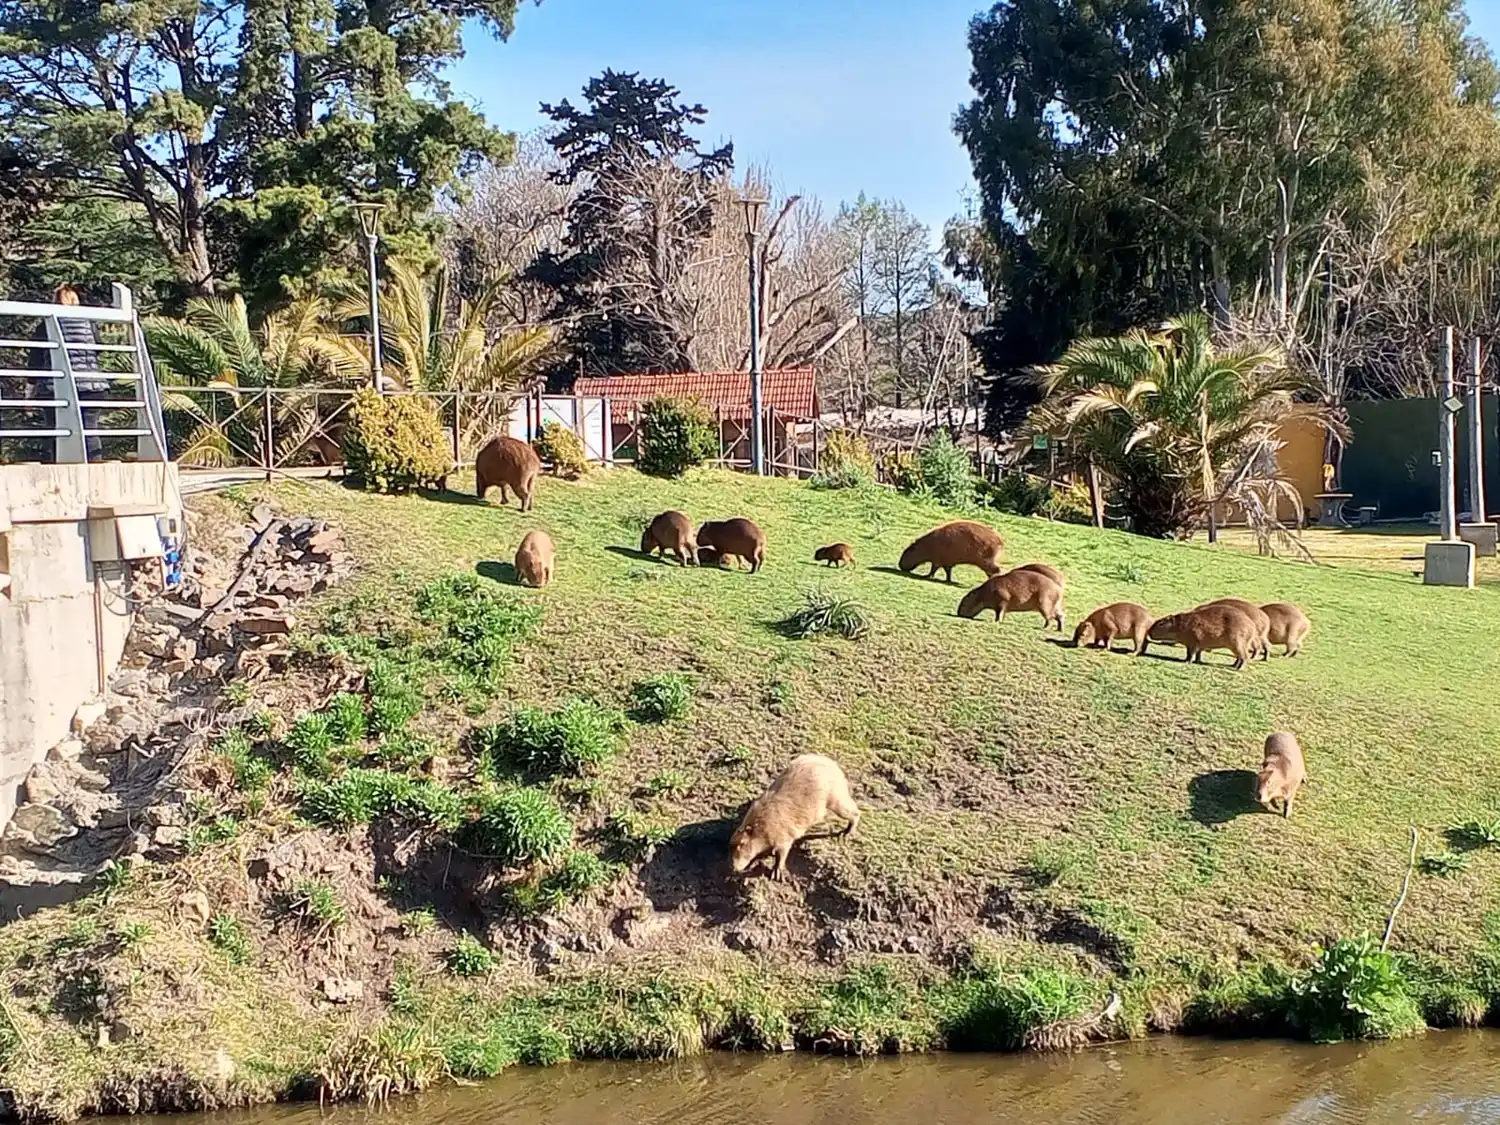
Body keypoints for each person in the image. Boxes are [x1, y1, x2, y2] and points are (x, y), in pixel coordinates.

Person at [55, 285, 109, 461]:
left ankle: (60, 468)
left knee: (58, 430)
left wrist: (30, 390)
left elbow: (37, 356)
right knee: (90, 429)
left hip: (58, 385)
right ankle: (94, 466)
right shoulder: (88, 322)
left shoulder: (50, 321)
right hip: (92, 383)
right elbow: (98, 348)